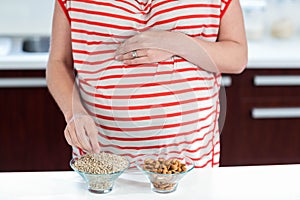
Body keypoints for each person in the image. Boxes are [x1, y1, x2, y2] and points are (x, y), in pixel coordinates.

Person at [46, 0, 247, 168]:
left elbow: (237, 57)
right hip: (103, 164)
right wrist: (74, 113)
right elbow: (58, 62)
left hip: (192, 162)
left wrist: (177, 43)